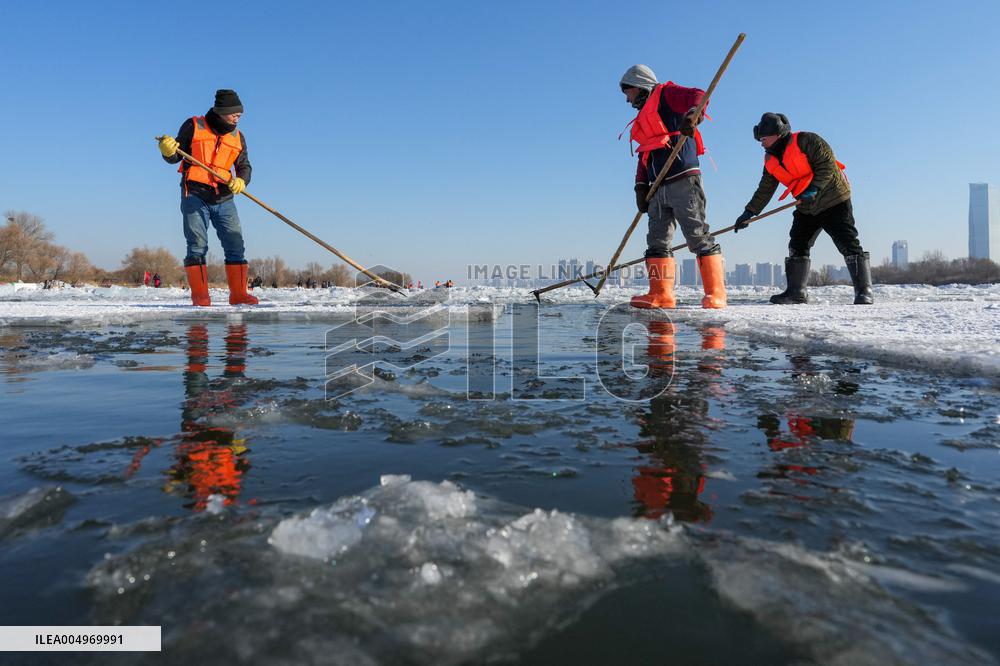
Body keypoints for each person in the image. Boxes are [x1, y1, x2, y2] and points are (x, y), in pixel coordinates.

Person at [735, 113, 873, 305]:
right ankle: (796, 292)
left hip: (834, 200)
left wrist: (814, 188)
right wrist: (749, 212)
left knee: (848, 242)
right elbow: (765, 189)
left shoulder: (807, 140)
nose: (761, 143)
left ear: (776, 134)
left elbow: (827, 165)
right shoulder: (770, 160)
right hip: (807, 206)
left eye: (763, 138)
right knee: (798, 243)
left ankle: (864, 291)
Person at [619, 65, 726, 310]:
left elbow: (698, 95)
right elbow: (644, 156)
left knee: (696, 234)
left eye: (628, 92)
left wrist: (692, 116)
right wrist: (640, 187)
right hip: (657, 186)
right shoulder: (643, 116)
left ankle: (716, 294)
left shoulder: (666, 94)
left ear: (639, 85)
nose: (627, 99)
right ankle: (660, 294)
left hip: (682, 178)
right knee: (657, 240)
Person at [157, 89, 258, 307]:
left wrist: (242, 180)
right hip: (194, 193)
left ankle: (239, 294)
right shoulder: (194, 125)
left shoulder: (238, 137)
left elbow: (244, 166)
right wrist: (167, 151)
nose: (238, 117)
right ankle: (200, 296)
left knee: (235, 244)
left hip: (224, 197)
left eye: (240, 113)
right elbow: (175, 156)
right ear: (221, 111)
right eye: (234, 113)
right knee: (197, 245)